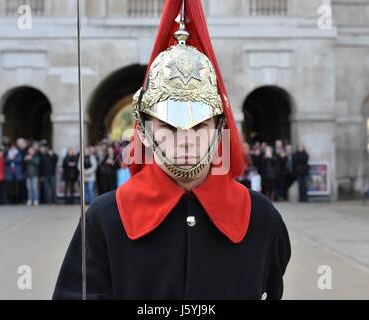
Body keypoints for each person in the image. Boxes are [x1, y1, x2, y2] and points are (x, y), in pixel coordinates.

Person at [53, 0, 290, 300]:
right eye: (169, 128)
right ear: (146, 130)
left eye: (199, 127)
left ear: (219, 129)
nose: (186, 140)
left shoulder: (262, 218)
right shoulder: (103, 219)